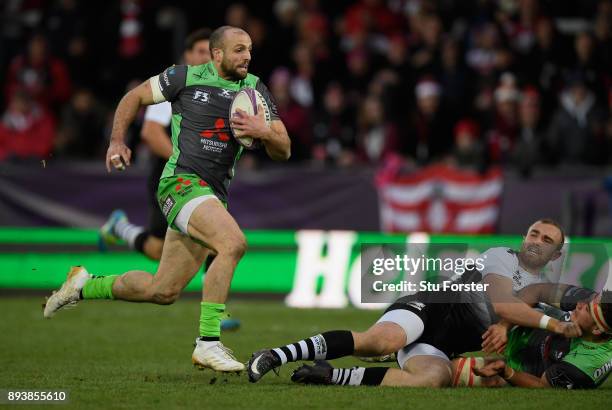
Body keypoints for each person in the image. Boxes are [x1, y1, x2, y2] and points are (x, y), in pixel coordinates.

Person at [43, 26, 291, 373]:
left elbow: (285, 148)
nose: (247, 56)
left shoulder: (255, 88)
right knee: (232, 243)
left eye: (249, 49)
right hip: (180, 183)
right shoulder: (183, 77)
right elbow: (133, 98)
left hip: (211, 194)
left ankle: (83, 285)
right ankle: (208, 342)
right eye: (238, 50)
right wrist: (117, 141)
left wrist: (263, 131)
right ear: (217, 53)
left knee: (163, 290)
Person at [248, 219, 583, 385]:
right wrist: (554, 325)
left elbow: (519, 310)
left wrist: (509, 327)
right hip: (430, 309)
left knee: (432, 379)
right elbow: (505, 303)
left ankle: (329, 376)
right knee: (378, 341)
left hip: (443, 345)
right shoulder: (501, 257)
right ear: (524, 238)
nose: (537, 241)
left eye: (547, 239)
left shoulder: (545, 292)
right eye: (533, 234)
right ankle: (274, 355)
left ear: (558, 253)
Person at [99, 28, 211, 261]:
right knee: (157, 250)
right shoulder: (174, 83)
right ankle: (119, 226)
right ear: (187, 55)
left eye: (211, 52)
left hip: (203, 177)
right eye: (200, 51)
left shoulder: (220, 89)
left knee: (215, 238)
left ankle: (213, 294)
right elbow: (151, 133)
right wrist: (187, 164)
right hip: (169, 176)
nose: (206, 58)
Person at [463, 288, 611, 389]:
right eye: (587, 300)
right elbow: (535, 291)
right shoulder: (592, 304)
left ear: (597, 329)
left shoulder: (585, 365)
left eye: (586, 308)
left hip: (526, 367)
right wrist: (504, 326)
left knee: (457, 371)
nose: (579, 303)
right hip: (520, 330)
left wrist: (506, 372)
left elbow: (543, 385)